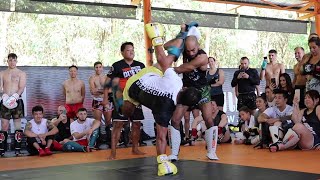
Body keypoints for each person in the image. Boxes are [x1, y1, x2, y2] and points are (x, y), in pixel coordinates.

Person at [121, 22, 201, 176]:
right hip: (133, 89)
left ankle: (182, 33)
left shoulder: (176, 82)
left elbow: (162, 58)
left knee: (169, 58)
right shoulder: (166, 112)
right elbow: (161, 138)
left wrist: (156, 38)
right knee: (127, 111)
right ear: (184, 106)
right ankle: (182, 33)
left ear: (184, 88)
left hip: (145, 76)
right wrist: (162, 161)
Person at [164, 24, 220, 161]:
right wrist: (181, 34)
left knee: (208, 119)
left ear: (198, 45)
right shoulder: (185, 47)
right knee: (175, 119)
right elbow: (166, 46)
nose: (190, 53)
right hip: (187, 89)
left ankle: (211, 151)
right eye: (187, 51)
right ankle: (174, 153)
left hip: (202, 90)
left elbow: (187, 67)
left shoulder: (203, 57)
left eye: (193, 50)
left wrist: (172, 70)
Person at [103, 42, 145, 160]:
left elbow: (146, 80)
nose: (131, 52)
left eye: (133, 50)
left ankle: (135, 148)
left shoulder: (140, 65)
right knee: (118, 124)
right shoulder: (117, 65)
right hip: (121, 99)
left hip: (137, 99)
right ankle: (113, 153)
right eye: (128, 50)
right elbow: (107, 82)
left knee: (136, 123)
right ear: (122, 52)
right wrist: (105, 98)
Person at [0, 53, 26, 156]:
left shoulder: (21, 73)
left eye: (14, 60)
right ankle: (2, 151)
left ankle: (17, 150)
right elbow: (0, 87)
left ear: (16, 61)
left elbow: (22, 87)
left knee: (17, 125)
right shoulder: (2, 73)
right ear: (7, 61)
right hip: (5, 101)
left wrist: (15, 97)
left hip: (16, 101)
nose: (12, 62)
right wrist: (4, 96)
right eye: (10, 60)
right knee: (4, 125)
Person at [89, 61, 113, 146]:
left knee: (108, 121)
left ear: (102, 68)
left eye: (100, 67)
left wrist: (99, 90)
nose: (98, 69)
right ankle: (97, 141)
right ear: (94, 68)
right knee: (97, 122)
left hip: (106, 100)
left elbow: (110, 90)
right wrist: (104, 91)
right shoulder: (92, 78)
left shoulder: (107, 77)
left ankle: (110, 140)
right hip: (97, 101)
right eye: (96, 67)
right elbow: (92, 91)